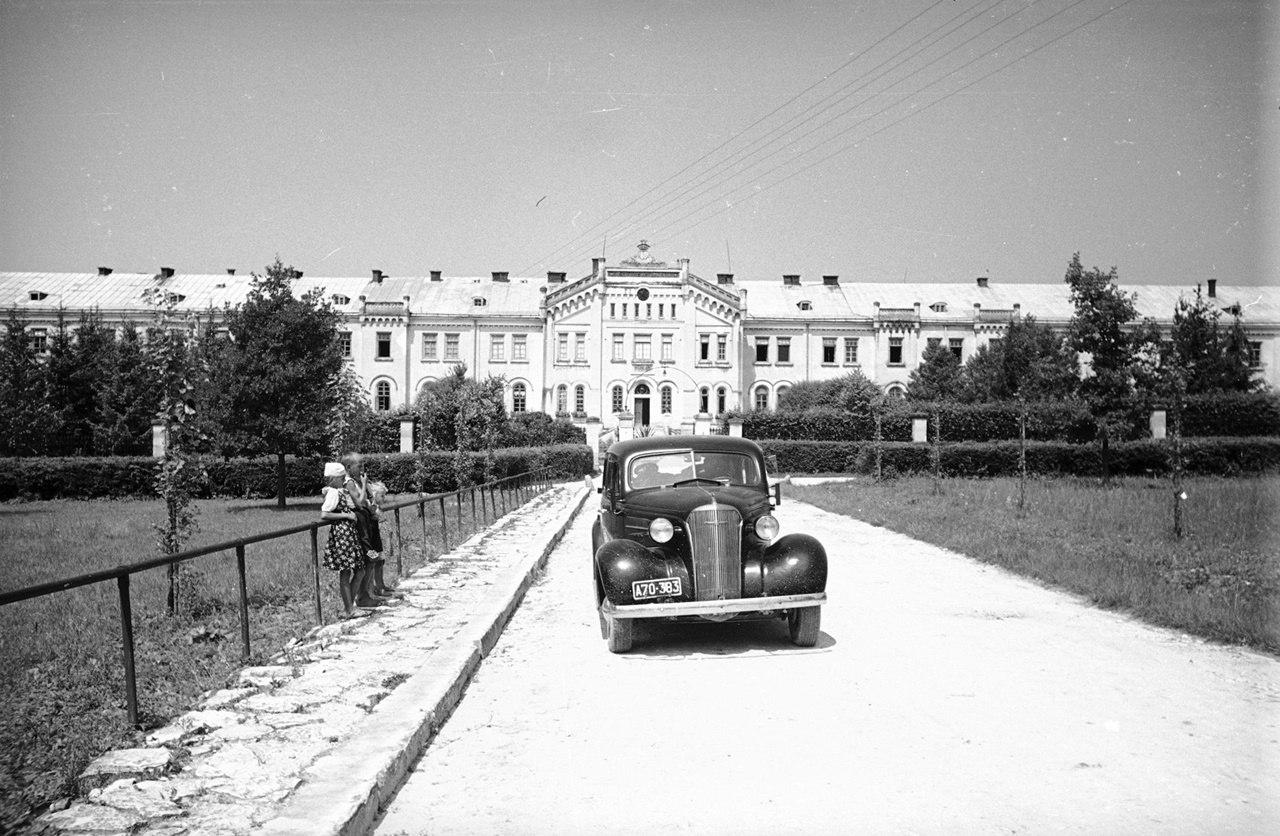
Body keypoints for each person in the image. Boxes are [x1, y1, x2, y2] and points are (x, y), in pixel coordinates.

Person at [342, 453, 393, 605]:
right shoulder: (350, 482)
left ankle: (366, 594)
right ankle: (362, 597)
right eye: (360, 466)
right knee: (371, 558)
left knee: (371, 560)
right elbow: (359, 502)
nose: (363, 469)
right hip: (359, 528)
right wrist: (364, 484)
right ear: (349, 467)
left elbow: (367, 500)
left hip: (366, 526)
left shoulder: (356, 481)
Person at [319, 462, 368, 619]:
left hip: (348, 534)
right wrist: (346, 515)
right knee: (347, 571)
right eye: (340, 478)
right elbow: (325, 514)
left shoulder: (337, 490)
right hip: (342, 535)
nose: (343, 480)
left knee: (359, 570)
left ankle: (350, 606)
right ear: (333, 479)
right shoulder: (334, 492)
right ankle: (349, 609)